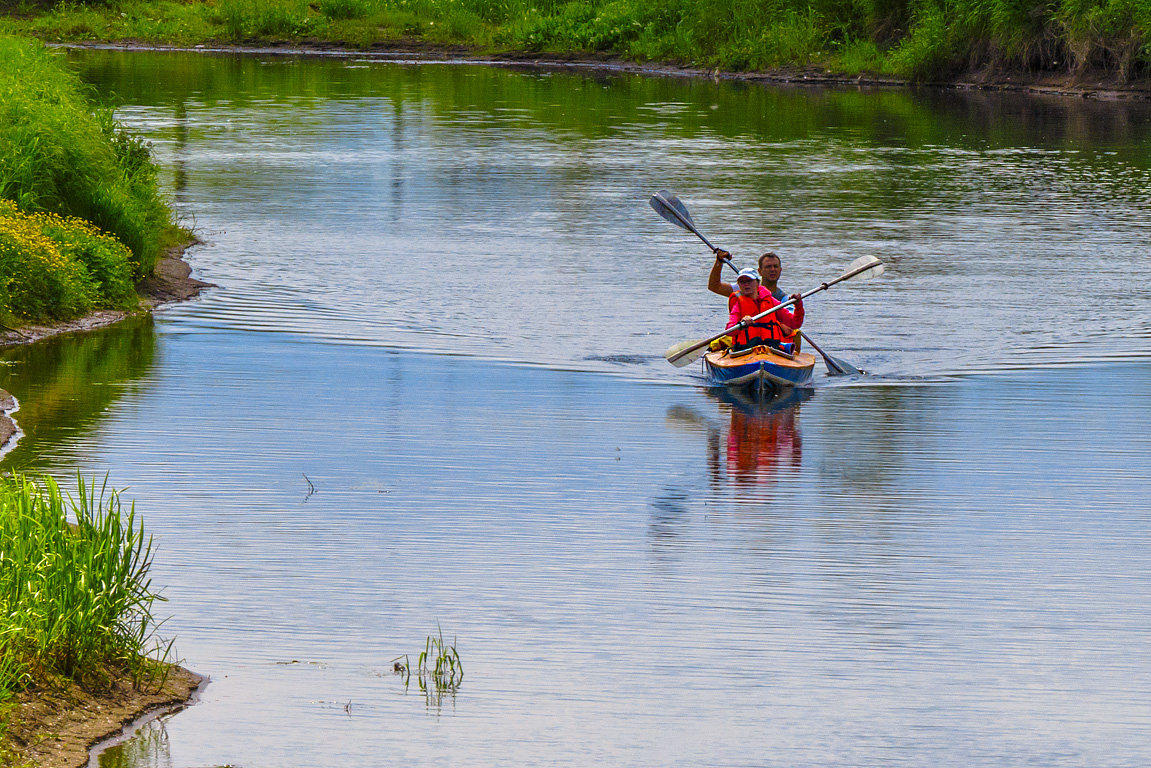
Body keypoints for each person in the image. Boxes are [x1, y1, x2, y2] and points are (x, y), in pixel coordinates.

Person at [726, 268, 803, 351]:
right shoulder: (738, 304)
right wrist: (741, 324)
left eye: (749, 281)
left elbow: (794, 323)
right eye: (742, 282)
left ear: (758, 283)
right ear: (739, 285)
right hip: (746, 349)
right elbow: (730, 331)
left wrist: (798, 305)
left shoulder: (771, 301)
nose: (746, 284)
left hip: (771, 348)